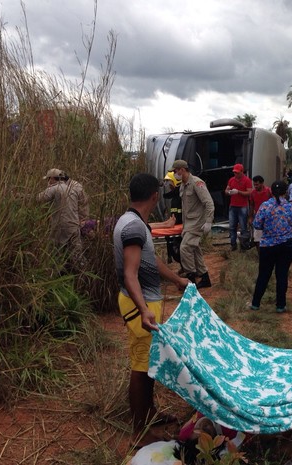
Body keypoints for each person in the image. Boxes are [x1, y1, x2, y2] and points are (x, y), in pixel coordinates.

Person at [113, 173, 189, 448]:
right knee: (142, 368)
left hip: (142, 302)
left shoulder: (134, 222)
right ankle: (140, 432)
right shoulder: (133, 227)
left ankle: (149, 414)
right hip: (139, 304)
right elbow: (130, 274)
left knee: (147, 363)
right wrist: (144, 310)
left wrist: (177, 279)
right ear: (155, 196)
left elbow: (151, 259)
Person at [250, 180, 292, 313]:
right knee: (282, 274)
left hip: (268, 246)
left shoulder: (265, 206)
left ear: (271, 192)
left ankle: (255, 304)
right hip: (287, 245)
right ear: (286, 192)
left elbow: (257, 224)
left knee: (263, 274)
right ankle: (280, 305)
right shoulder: (290, 208)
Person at [172, 159, 215, 288]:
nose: (174, 174)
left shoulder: (197, 183)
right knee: (194, 249)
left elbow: (209, 203)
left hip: (197, 222)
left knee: (185, 248)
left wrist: (208, 221)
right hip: (189, 223)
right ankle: (205, 277)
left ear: (182, 170)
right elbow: (186, 208)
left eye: (175, 171)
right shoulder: (183, 185)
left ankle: (191, 280)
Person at [36, 168, 89, 270]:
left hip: (61, 226)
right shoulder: (72, 189)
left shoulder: (54, 188)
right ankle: (85, 275)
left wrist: (22, 197)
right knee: (77, 255)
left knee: (55, 252)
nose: (48, 182)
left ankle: (55, 274)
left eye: (48, 179)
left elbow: (38, 199)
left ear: (52, 178)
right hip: (74, 225)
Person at [225, 163, 253, 251]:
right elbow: (226, 189)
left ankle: (243, 246)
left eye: (237, 172)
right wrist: (229, 192)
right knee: (232, 226)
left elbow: (249, 193)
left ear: (242, 171)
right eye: (234, 172)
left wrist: (238, 192)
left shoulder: (247, 180)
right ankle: (233, 245)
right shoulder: (231, 180)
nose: (235, 174)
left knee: (243, 227)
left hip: (243, 206)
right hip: (233, 206)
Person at [249, 175, 272, 249]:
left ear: (262, 183)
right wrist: (251, 217)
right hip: (258, 217)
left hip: (269, 217)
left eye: (257, 184)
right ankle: (260, 255)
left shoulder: (269, 191)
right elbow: (252, 205)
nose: (255, 186)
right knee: (257, 238)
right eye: (254, 184)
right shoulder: (253, 193)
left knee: (269, 236)